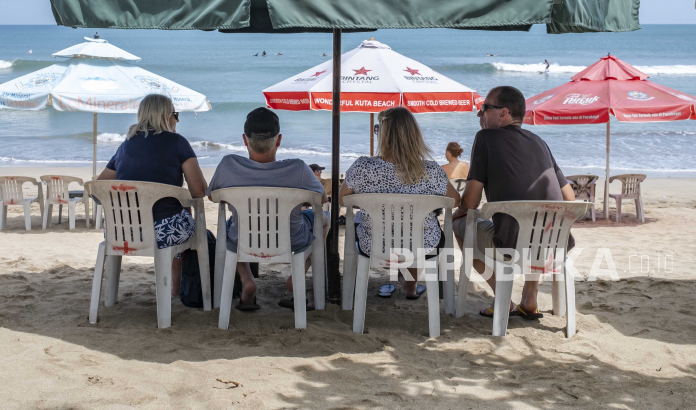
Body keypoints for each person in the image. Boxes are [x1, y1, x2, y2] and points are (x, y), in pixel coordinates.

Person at [451, 86, 575, 319]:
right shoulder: (539, 141)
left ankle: (503, 298)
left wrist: (458, 213)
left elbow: (471, 201)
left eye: (484, 108)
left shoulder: (485, 138)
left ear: (503, 113)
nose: (479, 114)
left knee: (458, 226)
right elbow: (569, 198)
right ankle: (530, 298)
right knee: (534, 226)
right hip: (556, 243)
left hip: (511, 245)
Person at [207, 108, 329, 312]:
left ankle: (247, 280)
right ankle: (296, 277)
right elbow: (321, 199)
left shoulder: (228, 165)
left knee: (230, 228)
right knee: (325, 219)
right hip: (291, 238)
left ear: (245, 140)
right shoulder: (298, 168)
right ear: (278, 140)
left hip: (244, 237)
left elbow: (212, 196)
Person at [339, 107, 460, 299]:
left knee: (365, 221)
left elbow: (342, 199)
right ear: (414, 135)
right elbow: (454, 201)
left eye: (377, 128)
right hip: (423, 245)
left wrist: (369, 205)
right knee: (417, 232)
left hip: (374, 244)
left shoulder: (363, 166)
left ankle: (358, 290)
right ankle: (410, 286)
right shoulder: (430, 170)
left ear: (383, 134)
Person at [97, 94, 208, 297]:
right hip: (164, 233)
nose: (177, 120)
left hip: (120, 232)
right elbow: (199, 191)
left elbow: (97, 189)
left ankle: (112, 297)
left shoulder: (125, 146)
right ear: (166, 116)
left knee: (181, 212)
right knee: (187, 218)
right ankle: (176, 286)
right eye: (176, 114)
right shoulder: (177, 143)